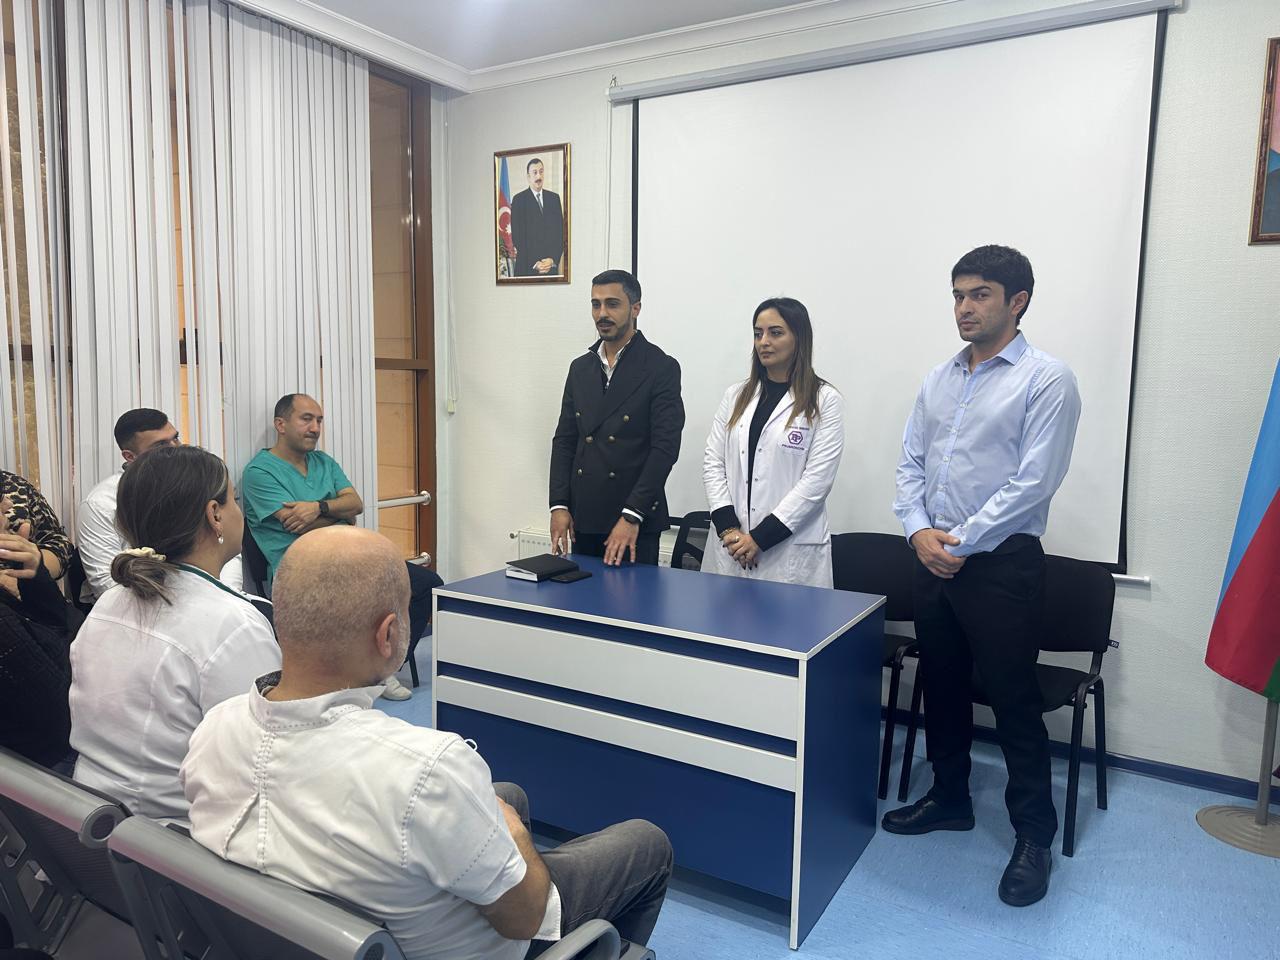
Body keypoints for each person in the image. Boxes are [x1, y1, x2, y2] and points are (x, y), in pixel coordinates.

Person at [181, 526, 673, 960]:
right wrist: (517, 837)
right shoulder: (428, 768)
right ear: (389, 635)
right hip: (480, 943)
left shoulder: (214, 729)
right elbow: (525, 918)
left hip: (291, 938)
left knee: (508, 797)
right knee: (646, 843)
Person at [885, 245, 1081, 908]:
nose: (964, 308)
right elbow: (910, 466)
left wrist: (959, 543)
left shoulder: (1047, 380)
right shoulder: (939, 378)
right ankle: (949, 798)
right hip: (933, 559)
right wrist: (918, 532)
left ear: (1017, 301)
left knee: (1012, 699)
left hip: (1000, 566)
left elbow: (1034, 483)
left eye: (979, 295)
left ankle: (1033, 837)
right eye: (958, 295)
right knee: (941, 685)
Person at [68, 445, 280, 821]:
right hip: (177, 836)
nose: (239, 511)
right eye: (234, 500)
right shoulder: (233, 625)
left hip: (94, 815)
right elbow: (266, 760)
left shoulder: (110, 602)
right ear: (215, 515)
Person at [241, 393, 440, 700]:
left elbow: (355, 504)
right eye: (306, 419)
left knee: (427, 584)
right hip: (301, 568)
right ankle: (353, 674)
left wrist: (317, 507)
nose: (315, 428)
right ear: (280, 424)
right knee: (363, 599)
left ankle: (379, 670)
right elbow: (295, 523)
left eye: (319, 420)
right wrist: (340, 517)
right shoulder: (260, 472)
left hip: (351, 557)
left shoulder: (323, 462)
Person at [702, 297, 844, 587]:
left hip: (787, 552)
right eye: (758, 333)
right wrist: (729, 529)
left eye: (775, 333)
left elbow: (817, 482)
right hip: (731, 547)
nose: (764, 342)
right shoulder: (735, 396)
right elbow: (713, 463)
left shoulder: (825, 400)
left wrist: (759, 539)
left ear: (799, 338)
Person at [549, 270, 684, 566]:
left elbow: (664, 449)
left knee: (632, 596)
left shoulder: (660, 367)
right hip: (584, 517)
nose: (602, 314)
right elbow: (565, 440)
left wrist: (632, 515)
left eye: (612, 304)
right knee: (582, 595)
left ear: (635, 308)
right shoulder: (580, 368)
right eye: (595, 304)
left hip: (634, 520)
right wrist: (559, 505)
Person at [76, 408, 243, 600]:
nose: (176, 448)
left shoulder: (196, 485)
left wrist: (224, 598)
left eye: (175, 438)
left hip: (213, 598)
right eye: (161, 445)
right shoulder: (100, 503)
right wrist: (180, 608)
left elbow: (224, 542)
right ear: (130, 456)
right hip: (141, 605)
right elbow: (107, 584)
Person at [0, 495, 80, 769]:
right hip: (43, 768)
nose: (8, 505)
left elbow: (59, 629)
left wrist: (35, 577)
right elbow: (61, 710)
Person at [0, 470, 72, 588]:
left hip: (29, 590)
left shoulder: (17, 485)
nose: (8, 504)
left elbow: (59, 543)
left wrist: (34, 566)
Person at [510, 157, 564, 277]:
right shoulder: (519, 200)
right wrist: (536, 263)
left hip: (550, 270)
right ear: (528, 177)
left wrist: (552, 260)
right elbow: (517, 238)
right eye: (534, 172)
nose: (538, 176)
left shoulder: (554, 199)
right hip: (527, 269)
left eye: (541, 171)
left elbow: (560, 234)